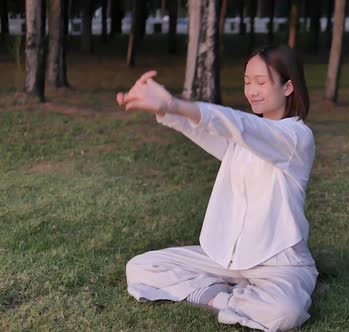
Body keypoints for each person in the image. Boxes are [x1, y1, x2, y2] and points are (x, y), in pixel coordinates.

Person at [116, 45, 318, 332]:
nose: (252, 90)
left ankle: (242, 295)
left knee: (284, 312)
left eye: (261, 82)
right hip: (227, 258)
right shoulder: (244, 139)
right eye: (247, 81)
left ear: (288, 87)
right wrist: (165, 110)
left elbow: (239, 126)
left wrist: (173, 103)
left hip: (279, 263)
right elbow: (209, 130)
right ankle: (221, 299)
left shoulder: (296, 138)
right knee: (141, 266)